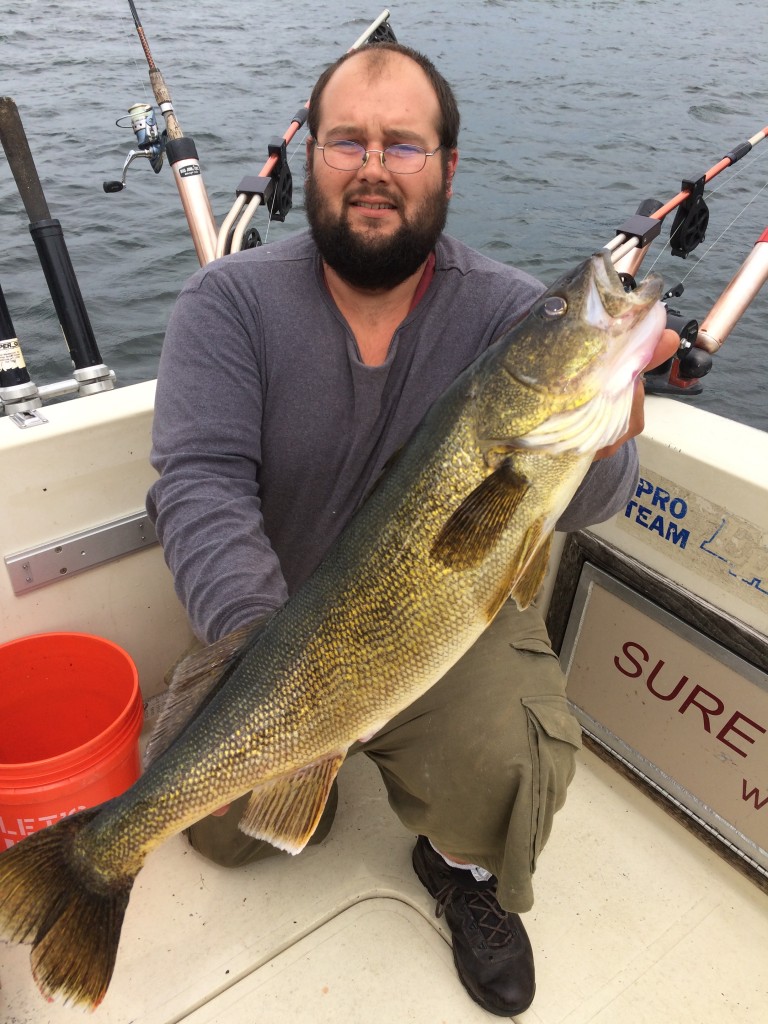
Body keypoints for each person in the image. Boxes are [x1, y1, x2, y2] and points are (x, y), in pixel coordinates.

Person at [147, 42, 678, 1018]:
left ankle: (457, 867)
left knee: (512, 757)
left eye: (406, 144)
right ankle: (311, 770)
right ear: (313, 161)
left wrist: (605, 434)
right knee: (212, 818)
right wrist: (273, 661)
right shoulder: (228, 304)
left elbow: (598, 506)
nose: (375, 166)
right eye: (348, 140)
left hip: (452, 619)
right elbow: (199, 483)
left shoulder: (514, 312)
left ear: (447, 167)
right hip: (274, 616)